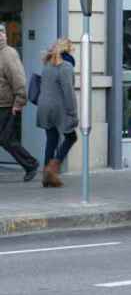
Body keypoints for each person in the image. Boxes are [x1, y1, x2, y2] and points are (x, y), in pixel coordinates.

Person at [36, 38, 78, 188]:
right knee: (71, 136)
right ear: (68, 50)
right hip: (57, 108)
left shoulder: (47, 64)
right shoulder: (66, 66)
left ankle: (47, 177)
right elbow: (69, 92)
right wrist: (73, 112)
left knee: (52, 139)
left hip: (44, 106)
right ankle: (53, 167)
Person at [0, 23, 39, 181]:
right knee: (6, 139)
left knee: (7, 139)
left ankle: (30, 164)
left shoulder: (8, 54)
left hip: (7, 105)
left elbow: (19, 80)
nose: (1, 35)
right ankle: (30, 164)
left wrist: (19, 102)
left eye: (2, 32)